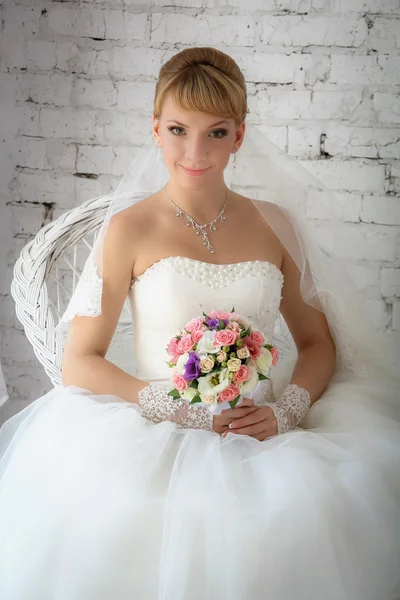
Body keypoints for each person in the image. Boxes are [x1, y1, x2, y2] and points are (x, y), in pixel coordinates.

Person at [0, 46, 399, 600]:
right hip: (160, 427)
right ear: (155, 130)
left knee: (335, 499)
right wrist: (170, 408)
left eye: (216, 132)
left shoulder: (274, 224)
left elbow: (316, 343)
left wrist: (287, 411)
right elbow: (79, 359)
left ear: (239, 135)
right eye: (178, 129)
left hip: (264, 425)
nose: (195, 151)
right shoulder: (129, 229)